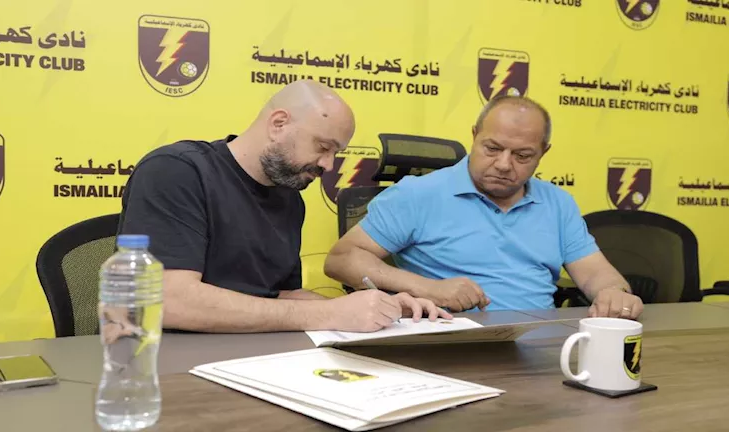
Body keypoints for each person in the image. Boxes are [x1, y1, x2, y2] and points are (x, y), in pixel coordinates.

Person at [117, 80, 451, 333]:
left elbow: (282, 295)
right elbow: (167, 300)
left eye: (335, 153)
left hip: (260, 358)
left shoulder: (289, 197)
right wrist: (329, 314)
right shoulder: (177, 171)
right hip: (176, 363)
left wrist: (376, 309)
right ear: (278, 124)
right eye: (323, 147)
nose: (328, 165)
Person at [324, 95, 644, 319]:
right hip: (448, 347)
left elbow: (595, 273)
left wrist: (613, 292)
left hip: (542, 347)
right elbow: (341, 260)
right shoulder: (418, 194)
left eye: (522, 155)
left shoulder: (557, 203)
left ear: (543, 153)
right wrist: (429, 288)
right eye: (492, 148)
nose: (504, 164)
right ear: (475, 136)